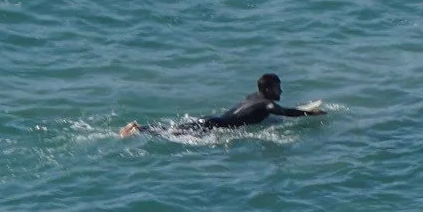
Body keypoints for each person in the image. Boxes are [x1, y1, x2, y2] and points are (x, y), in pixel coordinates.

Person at [120, 73, 324, 137]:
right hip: (215, 127)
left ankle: (139, 128)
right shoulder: (267, 105)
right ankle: (138, 129)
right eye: (278, 88)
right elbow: (285, 112)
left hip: (212, 120)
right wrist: (311, 114)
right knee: (170, 134)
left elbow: (280, 111)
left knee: (171, 130)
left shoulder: (254, 96)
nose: (281, 92)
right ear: (269, 90)